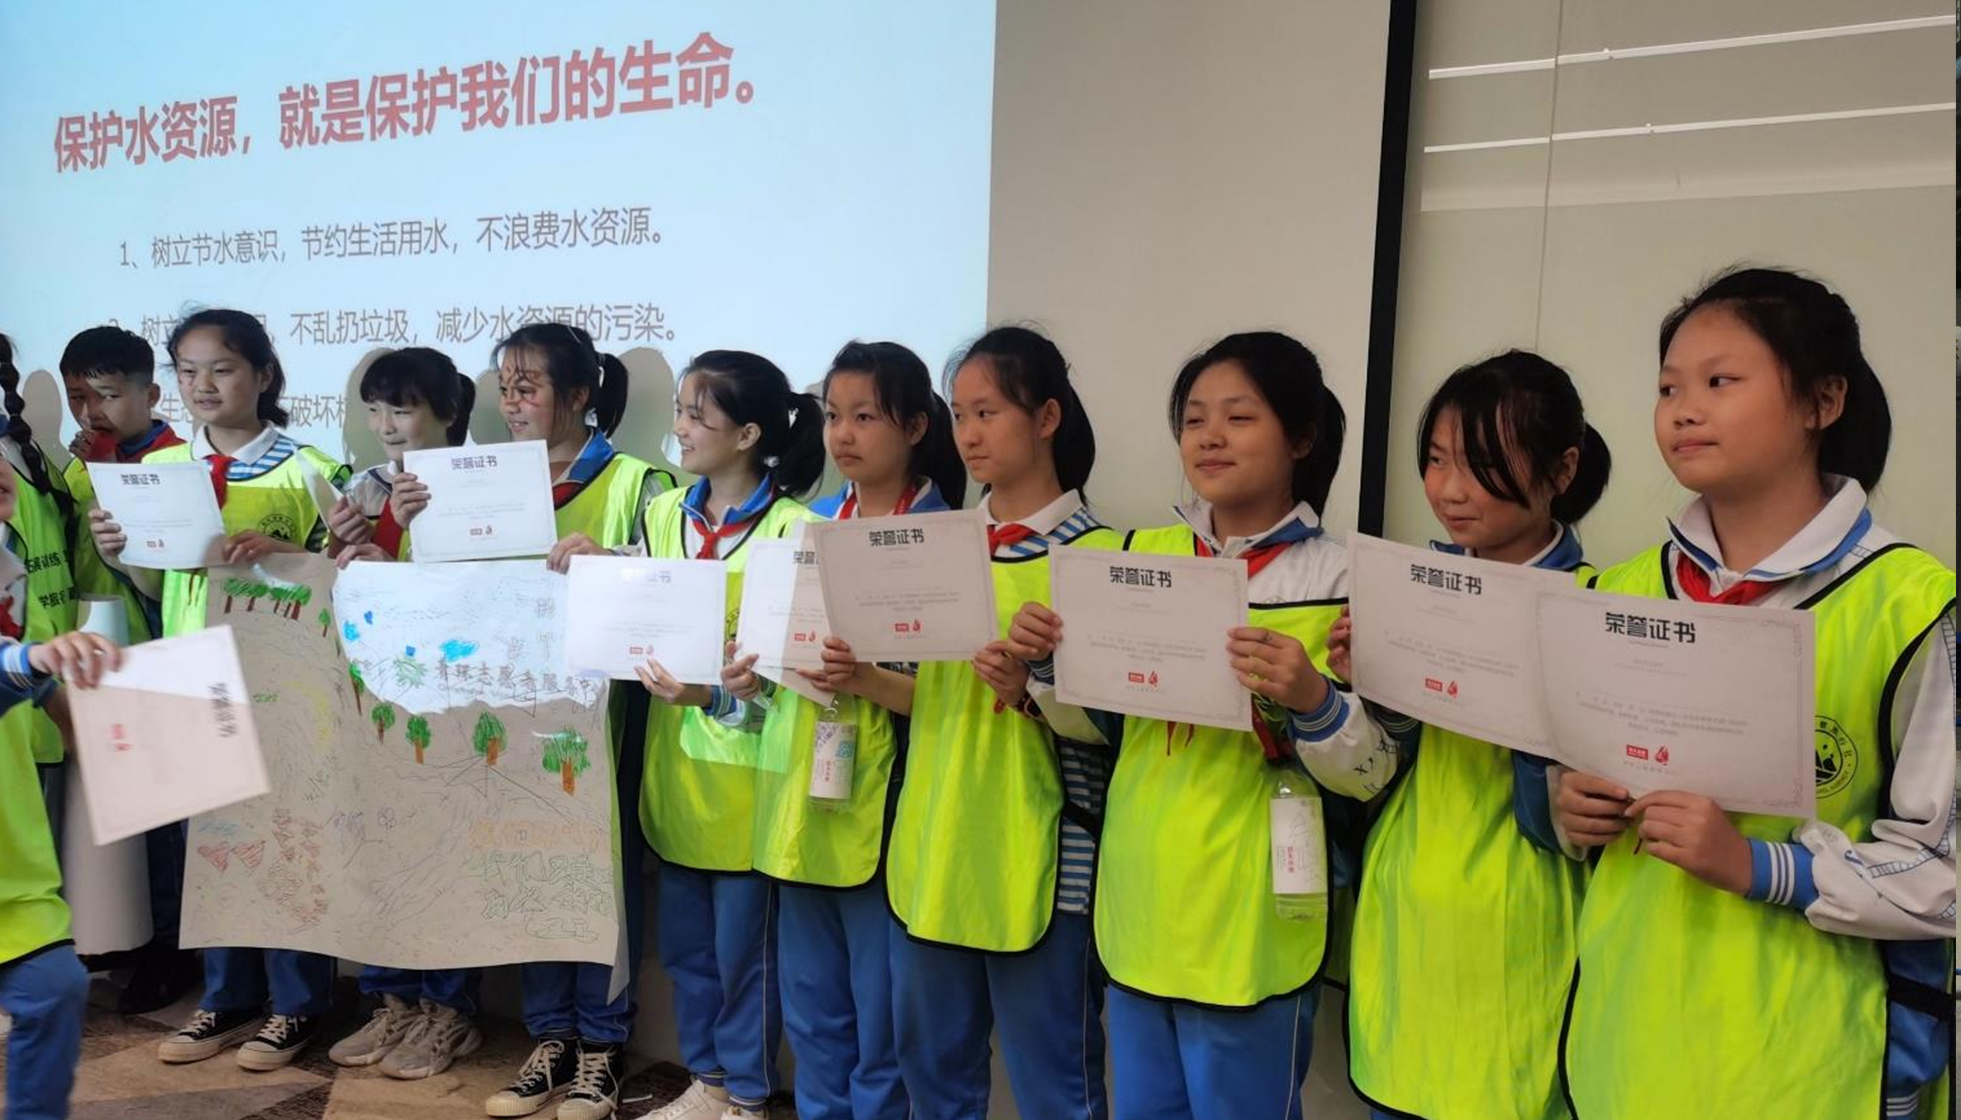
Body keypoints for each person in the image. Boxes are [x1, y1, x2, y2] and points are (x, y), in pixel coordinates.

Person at [1556, 268, 1955, 1119]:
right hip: (1623, 1044)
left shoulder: (1913, 607)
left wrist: (1757, 866)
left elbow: (1943, 872)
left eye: (1719, 381)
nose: (1682, 410)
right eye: (1668, 388)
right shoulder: (1617, 592)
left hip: (1810, 1065)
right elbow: (1589, 793)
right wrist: (1574, 809)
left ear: (1822, 401)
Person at [1012, 331, 1397, 1120]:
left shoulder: (1348, 579)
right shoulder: (1133, 557)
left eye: (1238, 417)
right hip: (1140, 892)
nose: (1209, 437)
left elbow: (1374, 772)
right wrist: (1047, 669)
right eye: (1193, 420)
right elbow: (1097, 730)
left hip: (1255, 907)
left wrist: (1312, 699)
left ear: (1301, 436)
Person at [1340, 350, 1610, 1120]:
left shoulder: (1598, 605)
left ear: (1561, 470)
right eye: (1435, 461)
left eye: (1483, 465)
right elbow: (1379, 763)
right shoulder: (1407, 588)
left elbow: (1598, 812)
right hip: (1405, 903)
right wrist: (1362, 682)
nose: (1449, 491)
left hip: (1527, 923)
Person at [89, 309, 348, 1071]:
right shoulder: (162, 469)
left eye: (222, 368)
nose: (202, 385)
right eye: (188, 370)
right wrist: (123, 555)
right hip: (188, 675)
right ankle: (226, 995)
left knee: (286, 842)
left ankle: (296, 1004)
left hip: (283, 684)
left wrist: (285, 553)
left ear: (263, 375)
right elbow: (158, 585)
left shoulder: (310, 468)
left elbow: (343, 577)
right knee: (213, 846)